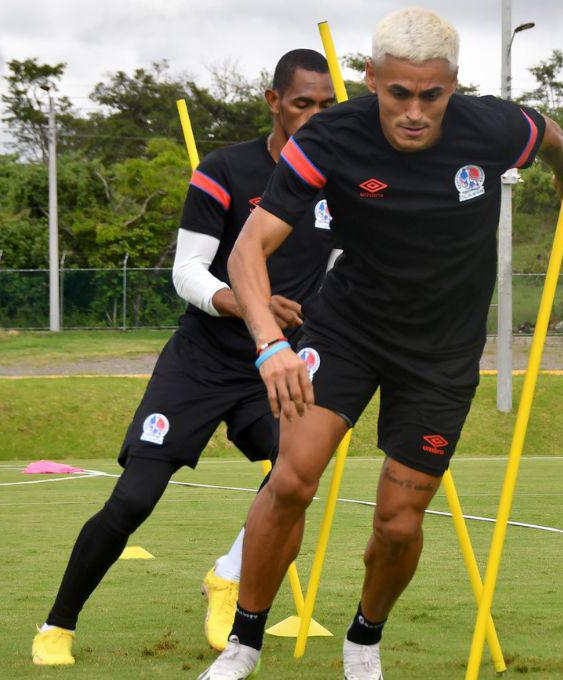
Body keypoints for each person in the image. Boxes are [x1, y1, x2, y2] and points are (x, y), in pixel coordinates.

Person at [198, 8, 563, 680]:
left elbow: (551, 133)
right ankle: (244, 643)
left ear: (454, 86)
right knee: (292, 478)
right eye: (398, 93)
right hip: (349, 328)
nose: (414, 112)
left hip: (441, 354)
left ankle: (363, 640)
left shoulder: (493, 126)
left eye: (431, 95)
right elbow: (247, 249)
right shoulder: (330, 136)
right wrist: (269, 344)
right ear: (371, 80)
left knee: (399, 523)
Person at [31, 48, 338, 665]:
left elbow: (336, 272)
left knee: (295, 474)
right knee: (134, 499)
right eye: (303, 103)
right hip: (201, 361)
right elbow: (187, 272)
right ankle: (57, 624)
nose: (315, 116)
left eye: (327, 106)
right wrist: (251, 306)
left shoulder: (342, 182)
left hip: (275, 365)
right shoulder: (225, 170)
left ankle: (228, 575)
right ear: (274, 102)